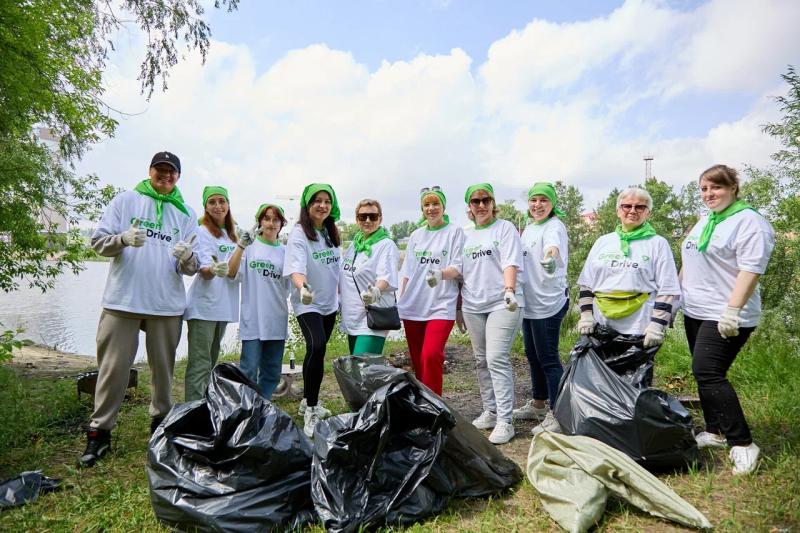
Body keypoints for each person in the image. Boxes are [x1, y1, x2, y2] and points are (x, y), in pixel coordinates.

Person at [79, 151, 198, 467]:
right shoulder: (126, 200)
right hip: (123, 301)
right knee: (113, 370)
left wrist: (187, 258)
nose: (165, 176)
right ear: (150, 171)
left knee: (164, 372)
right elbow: (98, 243)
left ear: (178, 177)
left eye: (171, 172)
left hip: (166, 304)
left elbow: (192, 268)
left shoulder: (186, 213)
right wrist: (122, 238)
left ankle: (161, 428)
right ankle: (99, 433)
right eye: (160, 170)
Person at [680, 164, 774, 475]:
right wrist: (673, 298)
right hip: (695, 309)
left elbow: (751, 270)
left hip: (725, 313)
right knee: (704, 373)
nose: (709, 194)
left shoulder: (749, 222)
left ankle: (743, 443)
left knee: (707, 371)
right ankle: (715, 431)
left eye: (716, 187)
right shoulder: (706, 220)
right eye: (704, 189)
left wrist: (732, 310)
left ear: (733, 187)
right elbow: (690, 261)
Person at [574, 187, 681, 429]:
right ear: (618, 210)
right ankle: (603, 428)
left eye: (639, 207)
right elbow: (587, 282)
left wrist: (657, 324)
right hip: (602, 324)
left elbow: (667, 287)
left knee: (634, 382)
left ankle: (631, 431)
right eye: (627, 206)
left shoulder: (657, 244)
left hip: (639, 323)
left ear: (648, 213)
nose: (632, 210)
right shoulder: (603, 242)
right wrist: (586, 314)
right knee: (601, 381)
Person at [460, 183, 524, 445]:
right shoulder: (463, 234)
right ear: (470, 207)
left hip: (503, 303)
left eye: (486, 200)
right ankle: (491, 410)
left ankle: (505, 421)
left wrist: (509, 289)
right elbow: (459, 272)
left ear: (492, 202)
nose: (481, 205)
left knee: (496, 357)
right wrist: (456, 308)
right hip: (472, 304)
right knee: (480, 360)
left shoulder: (505, 228)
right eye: (476, 201)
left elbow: (510, 262)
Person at [283, 183, 342, 438]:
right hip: (308, 303)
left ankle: (307, 400)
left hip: (330, 303)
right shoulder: (299, 233)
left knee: (318, 351)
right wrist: (302, 286)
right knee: (316, 346)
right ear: (307, 205)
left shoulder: (330, 232)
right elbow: (296, 267)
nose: (322, 205)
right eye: (317, 201)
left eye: (327, 201)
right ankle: (311, 409)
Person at [514, 182, 570, 434]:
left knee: (548, 357)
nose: (537, 205)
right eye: (533, 200)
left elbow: (552, 245)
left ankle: (558, 413)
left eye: (543, 201)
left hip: (549, 301)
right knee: (532, 354)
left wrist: (550, 257)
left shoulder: (554, 226)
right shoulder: (529, 228)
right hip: (530, 301)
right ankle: (538, 402)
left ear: (552, 204)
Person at [398, 186, 465, 395]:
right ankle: (422, 404)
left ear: (443, 206)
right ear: (422, 209)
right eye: (427, 204)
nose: (431, 208)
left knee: (431, 354)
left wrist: (441, 274)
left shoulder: (455, 232)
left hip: (441, 303)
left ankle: (436, 405)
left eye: (436, 203)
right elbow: (407, 271)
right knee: (418, 360)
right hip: (414, 304)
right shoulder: (416, 235)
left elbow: (458, 266)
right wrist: (401, 302)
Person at [228, 203, 290, 398]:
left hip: (276, 317)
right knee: (248, 369)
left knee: (271, 372)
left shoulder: (285, 252)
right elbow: (231, 273)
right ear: (259, 222)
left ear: (281, 224)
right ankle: (245, 408)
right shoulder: (250, 247)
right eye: (266, 218)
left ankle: (262, 407)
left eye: (276, 219)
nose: (271, 223)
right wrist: (241, 246)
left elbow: (289, 286)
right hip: (253, 318)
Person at [183, 186, 239, 401]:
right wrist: (213, 270)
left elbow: (236, 271)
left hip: (223, 307)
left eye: (222, 201)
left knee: (211, 361)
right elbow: (204, 272)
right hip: (203, 307)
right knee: (200, 364)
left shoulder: (232, 234)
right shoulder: (201, 232)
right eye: (212, 202)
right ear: (205, 207)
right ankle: (193, 412)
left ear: (228, 204)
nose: (218, 206)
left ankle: (205, 406)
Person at [339, 199, 399, 355]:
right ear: (357, 219)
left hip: (373, 317)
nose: (367, 220)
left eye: (372, 216)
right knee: (356, 371)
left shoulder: (386, 245)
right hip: (352, 318)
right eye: (362, 216)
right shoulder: (354, 245)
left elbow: (385, 276)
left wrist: (376, 291)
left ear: (380, 218)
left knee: (363, 370)